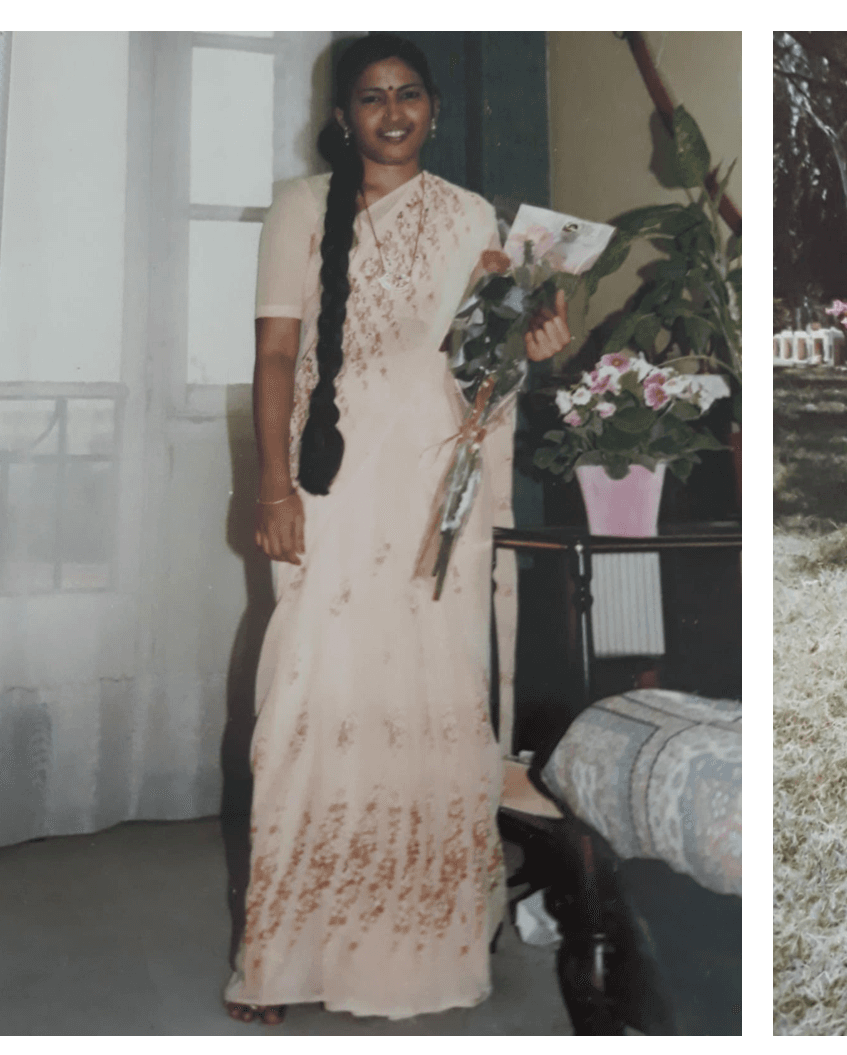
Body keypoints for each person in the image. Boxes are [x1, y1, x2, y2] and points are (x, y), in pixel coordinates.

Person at [224, 34, 571, 1025]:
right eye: (370, 97)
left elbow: (486, 360)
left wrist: (547, 338)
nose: (391, 112)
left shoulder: (471, 217)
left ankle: (423, 955)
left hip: (435, 486)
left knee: (435, 691)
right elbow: (278, 354)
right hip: (331, 480)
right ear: (343, 116)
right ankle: (282, 958)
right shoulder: (299, 207)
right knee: (307, 690)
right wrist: (273, 488)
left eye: (408, 93)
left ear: (430, 106)